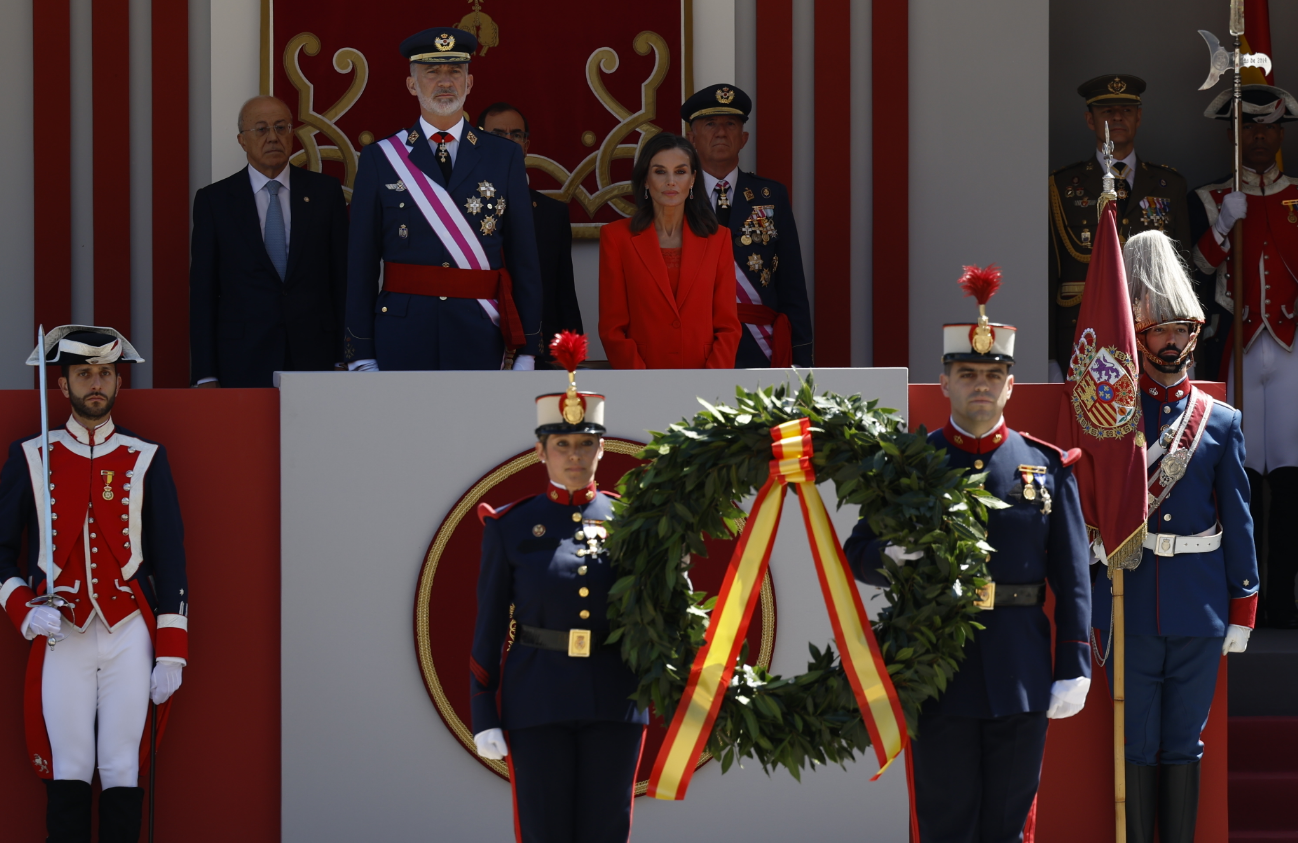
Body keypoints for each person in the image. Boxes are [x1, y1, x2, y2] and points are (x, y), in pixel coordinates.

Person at [844, 269, 1092, 843]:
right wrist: (893, 556)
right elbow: (858, 551)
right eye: (967, 374)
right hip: (937, 674)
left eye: (993, 375)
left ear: (1010, 386)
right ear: (944, 383)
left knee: (1007, 827)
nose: (981, 385)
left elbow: (1074, 577)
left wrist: (1073, 664)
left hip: (1021, 674)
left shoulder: (1046, 468)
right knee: (946, 824)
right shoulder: (909, 466)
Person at [1092, 231, 1257, 843]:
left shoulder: (1220, 423)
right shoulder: (1109, 416)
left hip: (1199, 604)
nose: (1173, 341)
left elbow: (1238, 519)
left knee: (1184, 745)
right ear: (1135, 332)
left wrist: (1244, 603)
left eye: (1183, 328)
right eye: (1159, 328)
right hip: (1130, 603)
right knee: (1135, 745)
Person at [0, 327, 188, 843]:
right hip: (62, 631)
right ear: (62, 386)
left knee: (122, 766)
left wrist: (172, 651)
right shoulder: (31, 455)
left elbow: (170, 559)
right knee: (71, 766)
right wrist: (22, 608)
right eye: (84, 374)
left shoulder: (146, 456)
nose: (96, 383)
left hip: (129, 631)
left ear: (118, 382)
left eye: (105, 373)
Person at [469, 332, 648, 842]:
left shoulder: (634, 521)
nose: (575, 456)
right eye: (562, 444)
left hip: (615, 698)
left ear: (602, 448)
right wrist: (484, 710)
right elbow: (486, 627)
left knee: (606, 831)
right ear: (540, 450)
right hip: (537, 700)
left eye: (586, 443)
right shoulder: (510, 527)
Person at [345, 27, 543, 372]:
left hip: (481, 329)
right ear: (412, 84)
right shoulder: (381, 158)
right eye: (432, 71)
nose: (445, 81)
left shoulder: (503, 156)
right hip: (402, 332)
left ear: (469, 83)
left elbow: (524, 259)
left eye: (455, 71)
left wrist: (527, 349)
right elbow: (361, 264)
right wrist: (360, 353)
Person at [1186, 84, 1298, 628]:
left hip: (1292, 350)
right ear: (1234, 135)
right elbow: (1198, 270)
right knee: (1242, 483)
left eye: (1269, 128)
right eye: (1248, 128)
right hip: (1240, 351)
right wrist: (1226, 223)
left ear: (1280, 134)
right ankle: (1244, 603)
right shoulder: (1211, 199)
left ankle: (1285, 605)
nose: (1259, 137)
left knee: (1294, 484)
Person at [190, 95, 349, 387]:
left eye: (281, 127)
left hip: (317, 357)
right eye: (261, 129)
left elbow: (342, 282)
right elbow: (203, 293)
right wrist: (205, 373)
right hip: (242, 359)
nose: (273, 137)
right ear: (242, 140)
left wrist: (344, 357)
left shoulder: (325, 193)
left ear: (292, 134)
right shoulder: (214, 201)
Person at [1049, 75, 1190, 379]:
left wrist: (1190, 345)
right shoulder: (1061, 185)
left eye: (1126, 110)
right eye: (1106, 111)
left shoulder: (1170, 185)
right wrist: (1048, 355)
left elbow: (1183, 274)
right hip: (1083, 332)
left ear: (1138, 117)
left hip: (1153, 332)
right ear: (1090, 120)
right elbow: (1051, 274)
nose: (1116, 118)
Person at [681, 84, 813, 368]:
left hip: (758, 345)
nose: (720, 132)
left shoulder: (771, 196)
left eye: (730, 124)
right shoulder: (677, 196)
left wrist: (801, 357)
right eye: (710, 124)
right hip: (697, 342)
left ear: (743, 138)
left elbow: (791, 283)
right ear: (691, 138)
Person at [597, 133, 741, 369]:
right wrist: (643, 382)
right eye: (660, 171)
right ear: (645, 179)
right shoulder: (616, 237)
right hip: (641, 382)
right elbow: (612, 328)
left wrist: (711, 381)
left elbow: (728, 326)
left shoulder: (718, 238)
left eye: (680, 172)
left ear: (693, 179)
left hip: (705, 382)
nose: (671, 181)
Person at [478, 102, 584, 364]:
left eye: (516, 134)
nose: (509, 141)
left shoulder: (552, 214)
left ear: (526, 145)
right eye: (498, 134)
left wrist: (572, 356)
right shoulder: (455, 208)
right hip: (476, 346)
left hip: (540, 353)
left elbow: (564, 295)